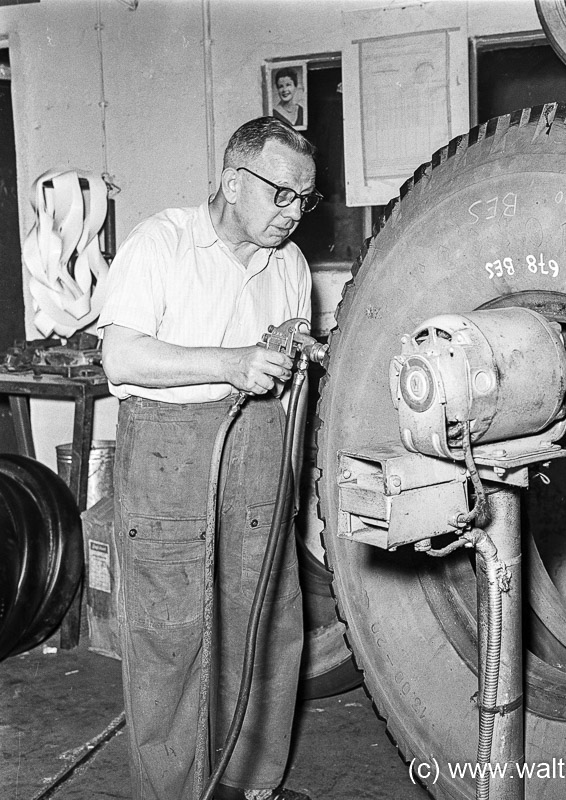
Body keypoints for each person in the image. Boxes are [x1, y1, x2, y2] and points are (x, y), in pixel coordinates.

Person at [98, 117, 322, 800]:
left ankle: (252, 781)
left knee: (266, 617)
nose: (293, 214)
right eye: (282, 194)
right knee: (173, 636)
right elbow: (122, 355)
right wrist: (229, 364)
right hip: (170, 452)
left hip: (257, 447)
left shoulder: (288, 263)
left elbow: (288, 357)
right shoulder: (161, 243)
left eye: (304, 200)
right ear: (233, 180)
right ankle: (176, 792)